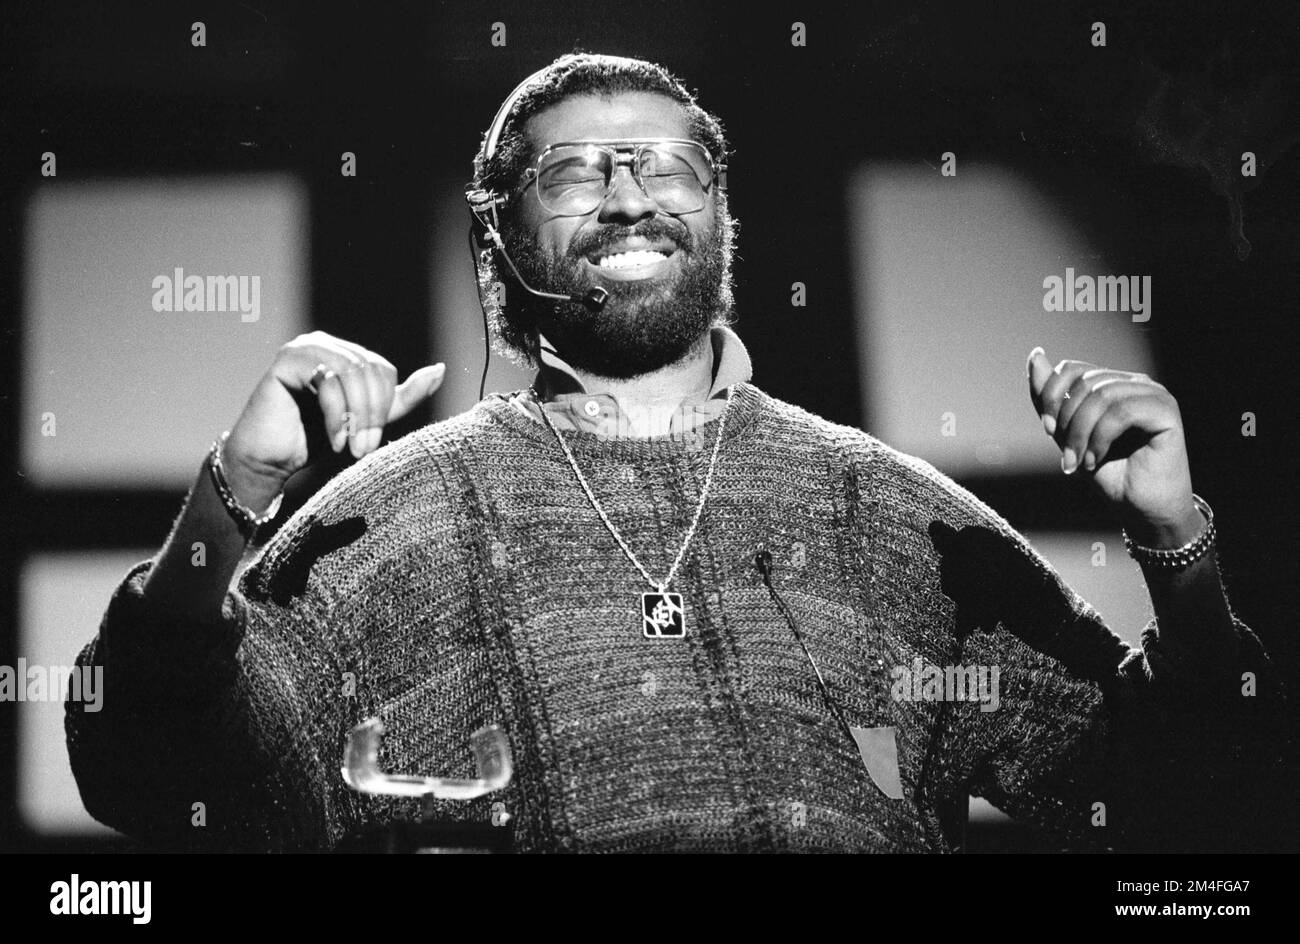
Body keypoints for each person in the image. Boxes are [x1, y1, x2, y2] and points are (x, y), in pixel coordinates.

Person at [67, 52, 1279, 853]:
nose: (628, 191)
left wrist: (1177, 547)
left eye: (664, 162)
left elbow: (1187, 796)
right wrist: (230, 504)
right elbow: (149, 772)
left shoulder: (885, 507)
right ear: (498, 248)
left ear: (721, 221)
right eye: (573, 169)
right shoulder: (393, 523)